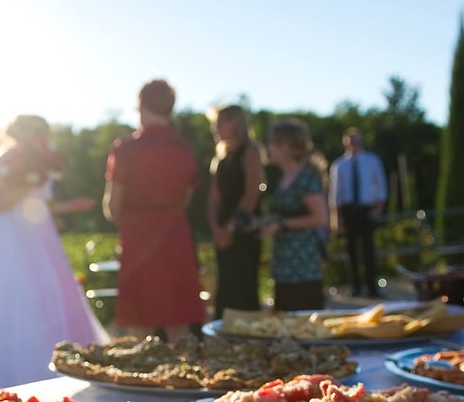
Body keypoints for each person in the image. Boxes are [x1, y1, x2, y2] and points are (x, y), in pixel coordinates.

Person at [0, 115, 107, 392]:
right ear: (27, 134)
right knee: (19, 302)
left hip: (40, 239)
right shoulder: (4, 158)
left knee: (51, 297)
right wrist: (34, 178)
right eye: (42, 136)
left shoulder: (34, 160)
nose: (45, 142)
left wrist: (71, 206)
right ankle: (18, 375)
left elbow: (34, 206)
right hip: (11, 241)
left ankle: (69, 366)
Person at [104, 79, 206, 341]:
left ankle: (140, 380)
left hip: (139, 239)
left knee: (140, 327)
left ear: (141, 106)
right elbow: (186, 199)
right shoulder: (183, 149)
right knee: (179, 326)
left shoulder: (126, 149)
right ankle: (188, 378)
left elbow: (112, 206)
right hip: (176, 237)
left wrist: (135, 223)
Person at [259, 119, 329, 311]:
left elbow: (320, 218)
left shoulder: (305, 178)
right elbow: (289, 214)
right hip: (284, 267)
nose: (268, 148)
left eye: (272, 143)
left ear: (286, 146)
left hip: (302, 267)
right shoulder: (283, 179)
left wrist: (281, 225)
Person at [206, 104, 265, 320]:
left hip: (243, 232)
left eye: (221, 121)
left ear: (236, 123)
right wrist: (216, 229)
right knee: (225, 288)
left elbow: (251, 194)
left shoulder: (250, 152)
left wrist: (230, 228)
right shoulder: (220, 159)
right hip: (223, 233)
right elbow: (213, 200)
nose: (216, 127)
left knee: (243, 288)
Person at [329, 127, 388, 297]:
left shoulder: (372, 161)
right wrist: (336, 218)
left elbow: (381, 187)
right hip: (349, 212)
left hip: (366, 210)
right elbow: (335, 194)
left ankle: (372, 288)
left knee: (369, 250)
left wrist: (378, 209)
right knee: (351, 251)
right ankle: (355, 287)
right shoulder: (339, 165)